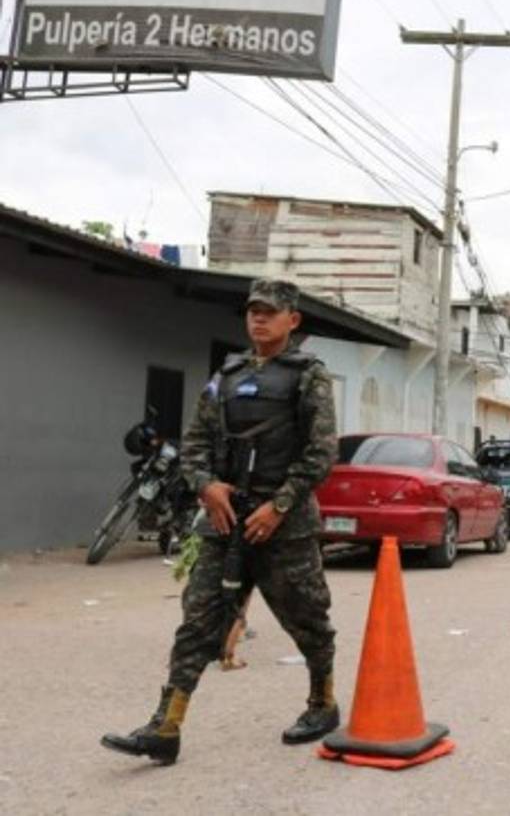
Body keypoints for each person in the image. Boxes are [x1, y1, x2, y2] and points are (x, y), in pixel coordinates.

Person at [102, 279, 340, 766]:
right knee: (198, 621)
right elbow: (194, 442)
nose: (258, 319)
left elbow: (321, 453)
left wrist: (279, 506)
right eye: (252, 311)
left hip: (283, 524)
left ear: (292, 320)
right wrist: (206, 485)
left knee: (307, 617)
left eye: (269, 312)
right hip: (224, 518)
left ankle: (323, 702)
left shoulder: (308, 375)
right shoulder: (226, 375)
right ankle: (165, 726)